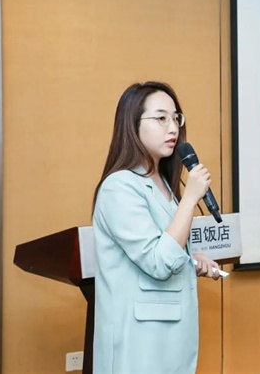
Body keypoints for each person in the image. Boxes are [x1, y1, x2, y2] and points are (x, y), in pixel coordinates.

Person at [91, 81, 221, 374]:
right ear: (132, 124)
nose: (172, 128)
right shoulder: (119, 186)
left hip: (170, 337)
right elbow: (158, 262)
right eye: (161, 118)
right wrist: (190, 198)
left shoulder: (162, 184)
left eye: (176, 118)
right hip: (138, 342)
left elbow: (161, 247)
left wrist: (189, 261)